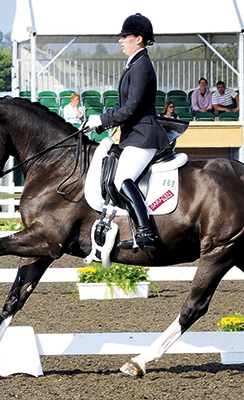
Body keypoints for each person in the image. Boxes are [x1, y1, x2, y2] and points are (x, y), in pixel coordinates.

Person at [86, 13, 170, 252]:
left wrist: (102, 119)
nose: (121, 40)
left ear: (139, 39)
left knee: (122, 179)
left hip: (143, 136)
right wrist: (99, 121)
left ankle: (147, 232)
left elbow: (131, 108)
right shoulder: (134, 63)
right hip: (133, 135)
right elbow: (123, 105)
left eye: (125, 36)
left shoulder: (141, 65)